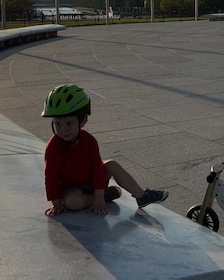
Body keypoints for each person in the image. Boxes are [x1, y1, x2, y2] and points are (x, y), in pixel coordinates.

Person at [42, 83, 168, 216]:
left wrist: (98, 194)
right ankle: (104, 196)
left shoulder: (89, 141)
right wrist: (56, 203)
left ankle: (142, 196)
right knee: (72, 203)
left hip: (91, 181)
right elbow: (51, 176)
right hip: (71, 189)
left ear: (83, 120)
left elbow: (97, 168)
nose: (63, 129)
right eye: (58, 124)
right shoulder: (53, 147)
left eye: (69, 123)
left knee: (111, 165)